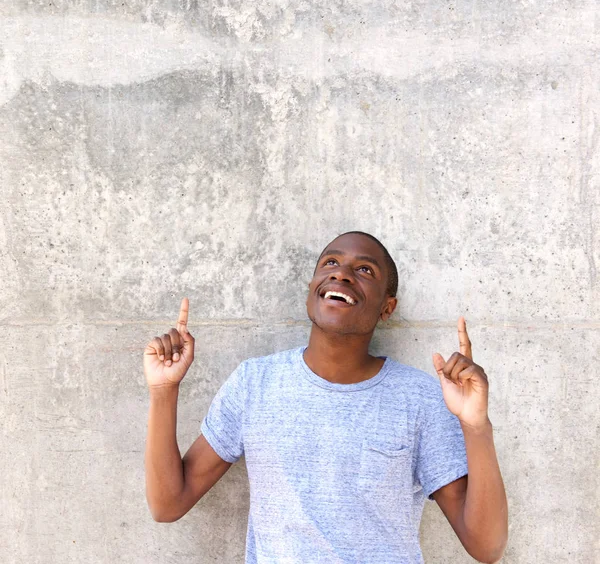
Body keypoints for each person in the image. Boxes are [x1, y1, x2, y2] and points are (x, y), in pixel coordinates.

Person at [143, 231, 508, 564]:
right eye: (330, 263)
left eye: (365, 270)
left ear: (387, 307)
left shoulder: (421, 398)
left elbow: (486, 546)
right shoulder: (254, 383)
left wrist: (476, 426)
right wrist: (163, 391)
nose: (342, 273)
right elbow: (168, 504)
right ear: (312, 286)